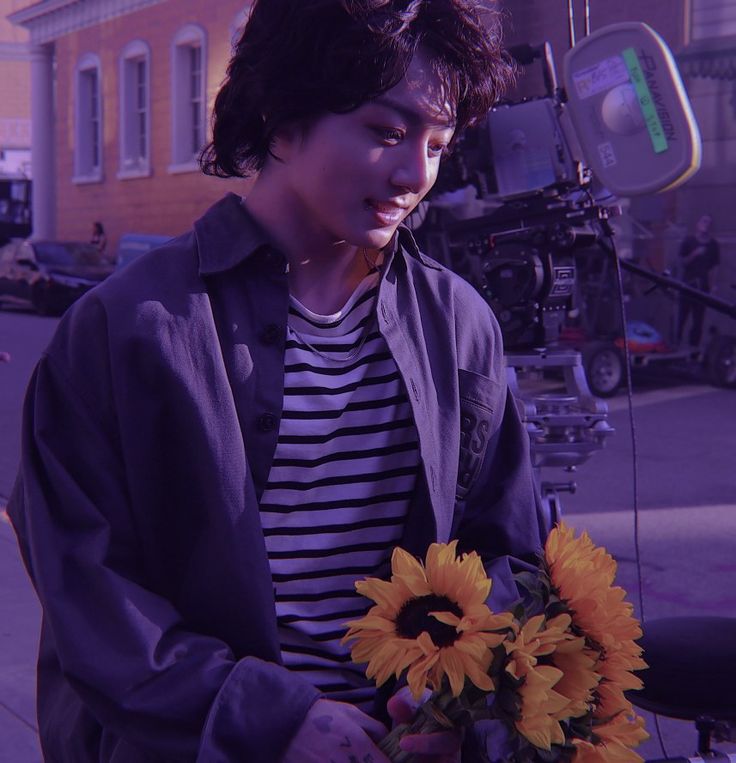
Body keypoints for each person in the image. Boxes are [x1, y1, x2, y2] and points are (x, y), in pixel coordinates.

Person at [8, 1, 545, 760]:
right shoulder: (127, 328)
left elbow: (512, 549)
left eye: (438, 143)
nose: (413, 173)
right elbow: (90, 592)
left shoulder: (458, 325)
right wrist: (268, 715)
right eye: (387, 132)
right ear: (281, 116)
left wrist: (460, 701)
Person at [676, 213, 720, 347]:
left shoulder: (713, 245)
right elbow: (682, 262)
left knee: (698, 319)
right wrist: (694, 254)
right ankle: (675, 343)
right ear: (698, 224)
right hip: (688, 285)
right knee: (682, 316)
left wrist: (713, 286)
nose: (706, 224)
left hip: (702, 287)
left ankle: (693, 347)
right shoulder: (689, 241)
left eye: (708, 222)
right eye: (703, 221)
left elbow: (715, 267)